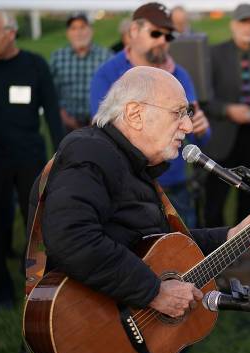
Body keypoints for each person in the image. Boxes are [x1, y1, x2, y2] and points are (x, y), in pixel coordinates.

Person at [32, 67, 250, 353]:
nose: (188, 126)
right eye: (179, 113)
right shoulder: (91, 151)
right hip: (85, 333)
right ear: (135, 114)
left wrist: (230, 235)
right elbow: (71, 236)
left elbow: (160, 245)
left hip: (117, 339)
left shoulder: (130, 164)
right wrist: (153, 291)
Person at [0, 11, 63, 308]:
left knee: (36, 225)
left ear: (11, 32)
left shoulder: (35, 65)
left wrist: (63, 155)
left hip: (29, 160)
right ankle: (1, 290)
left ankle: (37, 283)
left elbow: (51, 113)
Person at [91, 2, 210, 230]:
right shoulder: (108, 74)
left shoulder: (181, 75)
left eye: (169, 35)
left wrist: (201, 129)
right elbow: (100, 130)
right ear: (133, 32)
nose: (163, 40)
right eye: (156, 33)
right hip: (126, 186)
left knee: (186, 252)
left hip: (174, 182)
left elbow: (198, 138)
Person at [203, 3, 250, 226]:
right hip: (224, 136)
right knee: (216, 197)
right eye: (243, 22)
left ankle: (244, 246)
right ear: (233, 24)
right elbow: (204, 99)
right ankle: (213, 246)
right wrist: (228, 110)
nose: (248, 27)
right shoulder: (214, 54)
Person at [50, 13, 112, 133]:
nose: (79, 32)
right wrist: (63, 115)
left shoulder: (106, 56)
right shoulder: (57, 58)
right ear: (68, 33)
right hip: (65, 125)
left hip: (99, 123)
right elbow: (51, 91)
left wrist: (99, 115)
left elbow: (114, 89)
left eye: (83, 27)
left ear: (91, 30)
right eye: (73, 28)